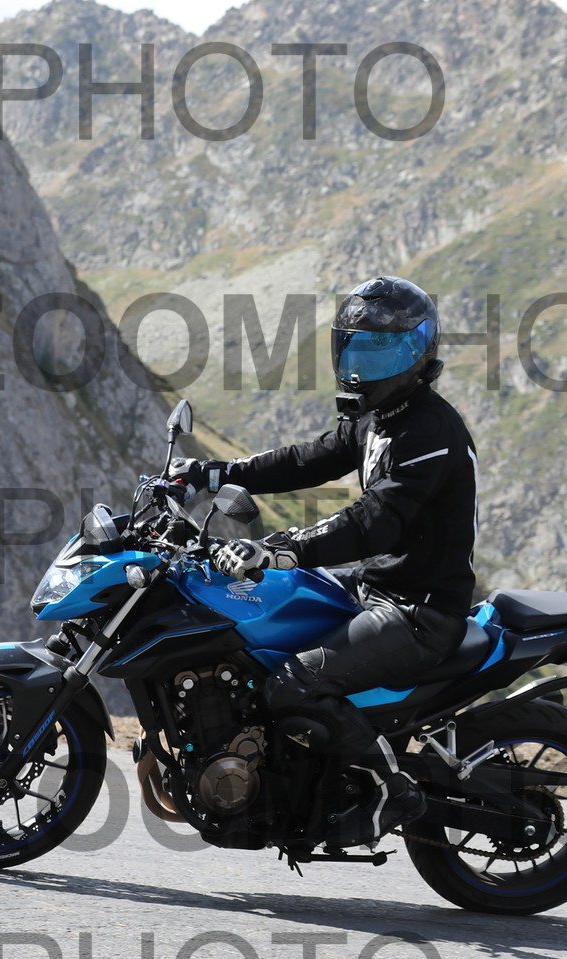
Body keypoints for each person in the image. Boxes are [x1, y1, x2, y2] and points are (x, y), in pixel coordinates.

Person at [171, 276, 478, 848]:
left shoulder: (430, 430)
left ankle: (392, 791)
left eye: (382, 352)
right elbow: (306, 460)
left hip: (420, 612)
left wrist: (285, 547)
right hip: (374, 589)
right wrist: (215, 473)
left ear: (419, 353)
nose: (362, 367)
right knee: (258, 639)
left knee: (294, 685)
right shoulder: (378, 416)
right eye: (355, 349)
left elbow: (375, 521)